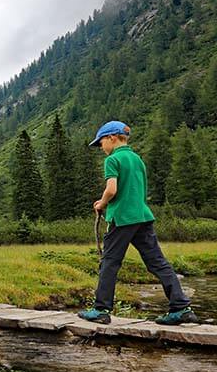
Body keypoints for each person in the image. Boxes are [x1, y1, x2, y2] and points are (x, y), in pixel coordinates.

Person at [78, 121, 197, 326]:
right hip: (142, 217)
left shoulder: (113, 159)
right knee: (157, 262)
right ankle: (181, 307)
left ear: (112, 138)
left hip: (122, 218)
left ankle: (101, 309)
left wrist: (102, 203)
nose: (101, 148)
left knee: (109, 263)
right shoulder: (137, 159)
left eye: (101, 143)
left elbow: (112, 189)